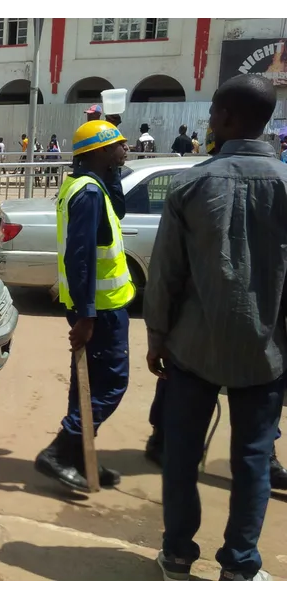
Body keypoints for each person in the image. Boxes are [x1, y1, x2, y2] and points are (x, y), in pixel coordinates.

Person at [145, 74, 287, 584]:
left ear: (226, 118)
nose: (208, 124)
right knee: (252, 460)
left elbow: (165, 275)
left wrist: (156, 338)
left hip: (191, 348)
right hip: (265, 349)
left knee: (182, 453)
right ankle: (240, 568)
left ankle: (177, 555)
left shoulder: (191, 184)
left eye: (212, 116)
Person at [33, 120, 134, 492]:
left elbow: (118, 213)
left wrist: (116, 172)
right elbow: (81, 257)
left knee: (86, 383)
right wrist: (88, 315)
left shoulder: (90, 186)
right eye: (117, 146)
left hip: (98, 306)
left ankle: (79, 454)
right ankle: (61, 450)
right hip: (101, 309)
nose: (124, 149)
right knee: (112, 385)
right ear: (97, 152)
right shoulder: (88, 193)